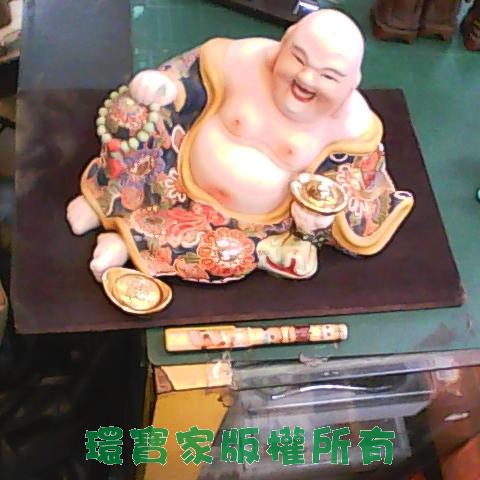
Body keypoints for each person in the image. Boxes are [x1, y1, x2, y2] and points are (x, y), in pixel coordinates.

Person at [67, 9, 414, 284]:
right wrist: (165, 86)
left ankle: (126, 242)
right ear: (283, 46)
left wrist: (319, 220)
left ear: (352, 83)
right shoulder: (243, 58)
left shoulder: (352, 126)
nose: (306, 79)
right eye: (298, 59)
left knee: (231, 254)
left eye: (329, 76)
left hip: (248, 225)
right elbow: (191, 84)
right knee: (132, 113)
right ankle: (105, 202)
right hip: (173, 176)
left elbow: (358, 193)